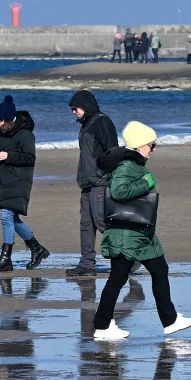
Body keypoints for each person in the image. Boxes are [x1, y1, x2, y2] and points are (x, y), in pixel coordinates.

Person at [90, 121, 191, 340]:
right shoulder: (127, 165)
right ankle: (102, 327)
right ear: (139, 145)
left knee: (159, 270)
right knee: (118, 279)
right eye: (151, 145)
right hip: (128, 235)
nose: (154, 149)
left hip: (139, 233)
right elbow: (119, 192)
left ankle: (171, 320)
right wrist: (146, 183)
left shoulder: (133, 164)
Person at [0, 96, 50, 271]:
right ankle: (37, 248)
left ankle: (6, 259)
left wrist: (8, 156)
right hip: (4, 179)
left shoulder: (25, 134)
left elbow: (30, 158)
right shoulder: (2, 132)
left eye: (0, 121)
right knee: (12, 218)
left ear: (9, 119)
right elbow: (2, 150)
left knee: (6, 216)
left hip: (20, 180)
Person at [67, 90, 118, 277]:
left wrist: (108, 177)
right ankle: (87, 264)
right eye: (72, 109)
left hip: (100, 182)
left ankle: (128, 257)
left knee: (102, 222)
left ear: (86, 106)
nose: (73, 112)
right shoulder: (86, 124)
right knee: (86, 225)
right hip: (86, 183)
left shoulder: (103, 122)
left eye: (75, 108)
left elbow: (113, 152)